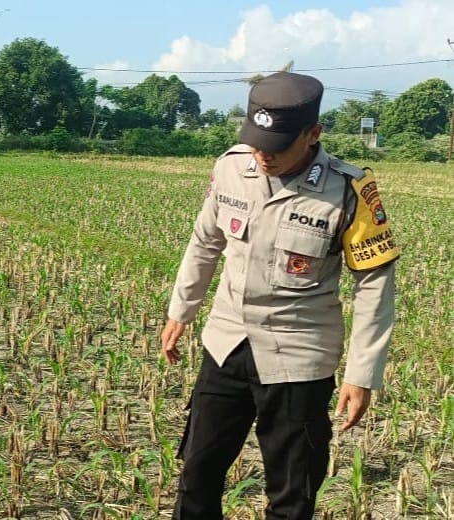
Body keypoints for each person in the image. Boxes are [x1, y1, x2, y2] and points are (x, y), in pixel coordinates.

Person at [161, 72, 398, 519]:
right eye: (256, 142)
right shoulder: (231, 166)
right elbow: (205, 241)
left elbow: (374, 283)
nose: (262, 155)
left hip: (298, 358)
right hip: (226, 342)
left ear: (313, 134)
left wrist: (362, 373)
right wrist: (182, 310)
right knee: (197, 472)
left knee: (292, 491)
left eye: (275, 146)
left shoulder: (349, 192)